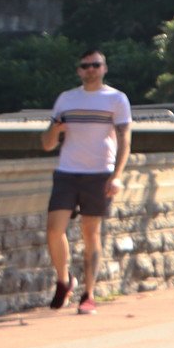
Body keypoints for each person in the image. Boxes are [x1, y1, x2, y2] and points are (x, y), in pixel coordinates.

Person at [40, 48, 130, 314]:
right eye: (85, 66)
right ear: (79, 70)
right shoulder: (66, 99)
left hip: (99, 172)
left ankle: (89, 294)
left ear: (104, 68)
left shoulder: (116, 99)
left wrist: (117, 176)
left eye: (95, 65)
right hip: (67, 171)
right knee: (54, 230)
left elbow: (125, 139)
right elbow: (47, 144)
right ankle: (64, 280)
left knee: (91, 233)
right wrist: (55, 128)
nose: (90, 69)